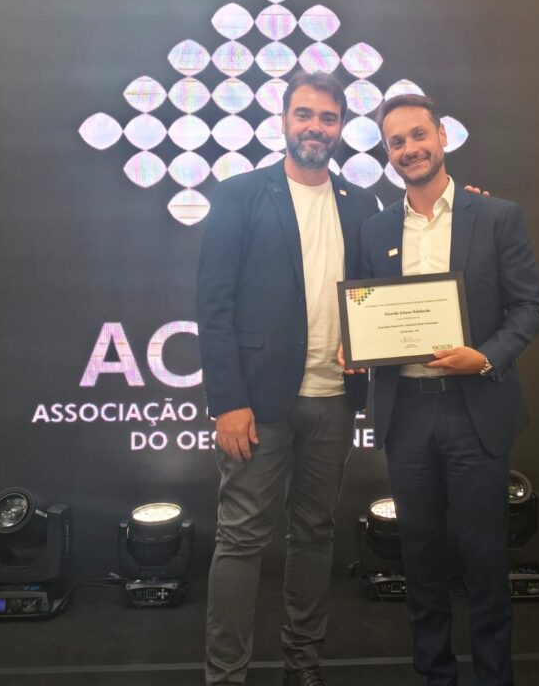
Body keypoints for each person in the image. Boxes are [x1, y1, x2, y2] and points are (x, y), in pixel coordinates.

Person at [357, 94, 539, 686]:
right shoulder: (375, 230)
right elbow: (365, 310)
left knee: (485, 560)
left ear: (441, 136)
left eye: (419, 135)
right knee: (420, 561)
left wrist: (485, 357)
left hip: (476, 411)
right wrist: (355, 343)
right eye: (396, 142)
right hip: (406, 416)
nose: (410, 149)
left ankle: (494, 677)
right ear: (387, 152)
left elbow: (530, 307)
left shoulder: (497, 216)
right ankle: (435, 675)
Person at [196, 70, 378, 686]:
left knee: (315, 534)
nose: (315, 127)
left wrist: (366, 345)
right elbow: (213, 305)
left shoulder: (361, 203)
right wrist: (227, 401)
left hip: (334, 400)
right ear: (283, 121)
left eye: (328, 118)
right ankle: (227, 676)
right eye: (304, 114)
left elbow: (377, 292)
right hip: (257, 404)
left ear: (341, 127)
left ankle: (304, 668)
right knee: (241, 539)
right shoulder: (241, 195)